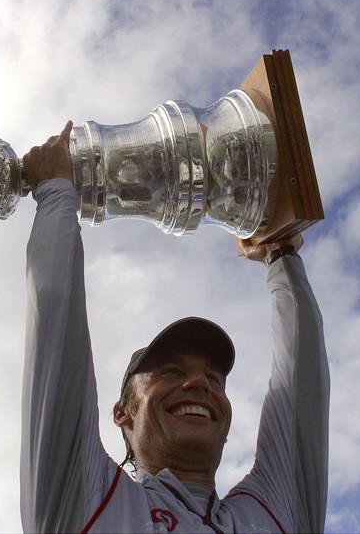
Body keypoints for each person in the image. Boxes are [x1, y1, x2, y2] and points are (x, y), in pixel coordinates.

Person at [20, 121, 329, 533]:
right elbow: (56, 338)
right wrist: (56, 193)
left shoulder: (270, 516)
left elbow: (302, 384)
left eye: (215, 379)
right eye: (171, 372)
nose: (201, 383)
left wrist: (281, 255)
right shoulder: (86, 501)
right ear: (123, 414)